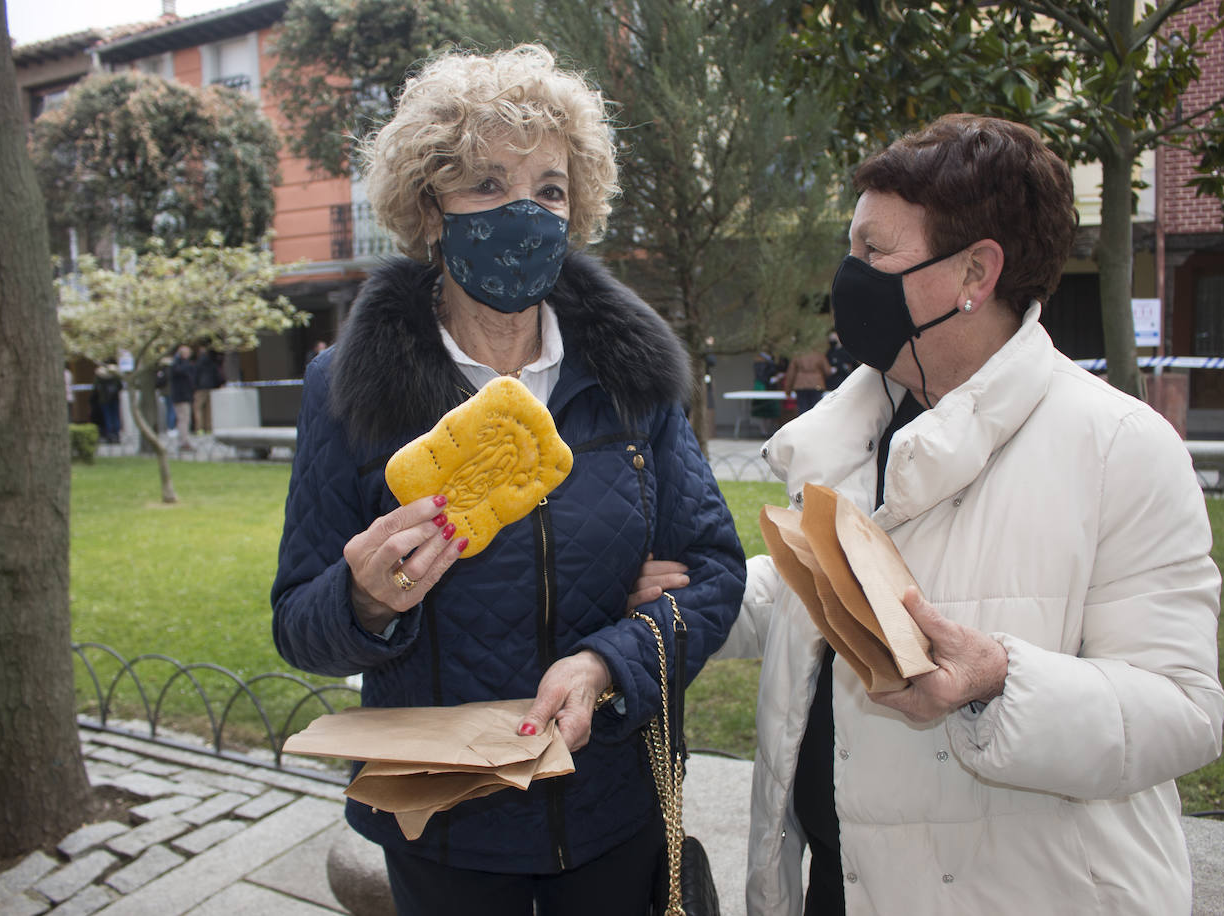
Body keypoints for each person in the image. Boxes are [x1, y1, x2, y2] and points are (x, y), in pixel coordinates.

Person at [270, 45, 745, 916]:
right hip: (450, 822)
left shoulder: (630, 380)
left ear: (577, 208)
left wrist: (615, 657)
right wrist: (368, 601)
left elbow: (714, 573)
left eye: (550, 189)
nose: (523, 212)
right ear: (429, 206)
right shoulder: (347, 391)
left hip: (614, 802)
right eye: (488, 185)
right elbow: (299, 626)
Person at [720, 114, 1224, 915]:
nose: (849, 278)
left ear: (974, 274)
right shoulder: (856, 429)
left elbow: (1183, 712)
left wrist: (999, 684)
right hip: (840, 887)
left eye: (874, 253)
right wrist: (693, 598)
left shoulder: (1121, 447)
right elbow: (821, 600)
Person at [782, 340, 832, 413]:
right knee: (816, 410)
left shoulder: (797, 355)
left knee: (803, 410)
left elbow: (791, 374)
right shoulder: (819, 355)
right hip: (816, 385)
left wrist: (788, 390)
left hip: (800, 385)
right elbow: (828, 371)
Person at [168, 345, 197, 452]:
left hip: (183, 395)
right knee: (183, 419)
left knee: (184, 419)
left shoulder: (179, 364)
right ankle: (183, 442)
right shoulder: (179, 365)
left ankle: (184, 440)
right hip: (181, 396)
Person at [193, 344, 224, 433]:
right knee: (209, 409)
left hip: (200, 388)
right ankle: (209, 428)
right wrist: (218, 384)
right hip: (211, 387)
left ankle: (199, 429)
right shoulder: (211, 362)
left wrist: (194, 387)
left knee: (198, 408)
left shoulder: (198, 363)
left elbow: (195, 376)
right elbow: (217, 374)